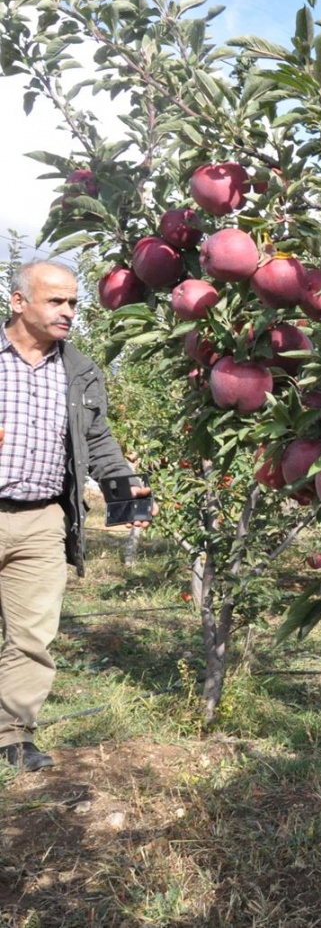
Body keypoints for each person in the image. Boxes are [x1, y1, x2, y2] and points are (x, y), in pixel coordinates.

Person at [1, 260, 152, 774]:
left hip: (45, 518)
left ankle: (13, 737)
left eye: (73, 303)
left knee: (32, 636)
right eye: (56, 302)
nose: (68, 312)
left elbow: (97, 440)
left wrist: (126, 487)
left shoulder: (79, 368)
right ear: (19, 302)